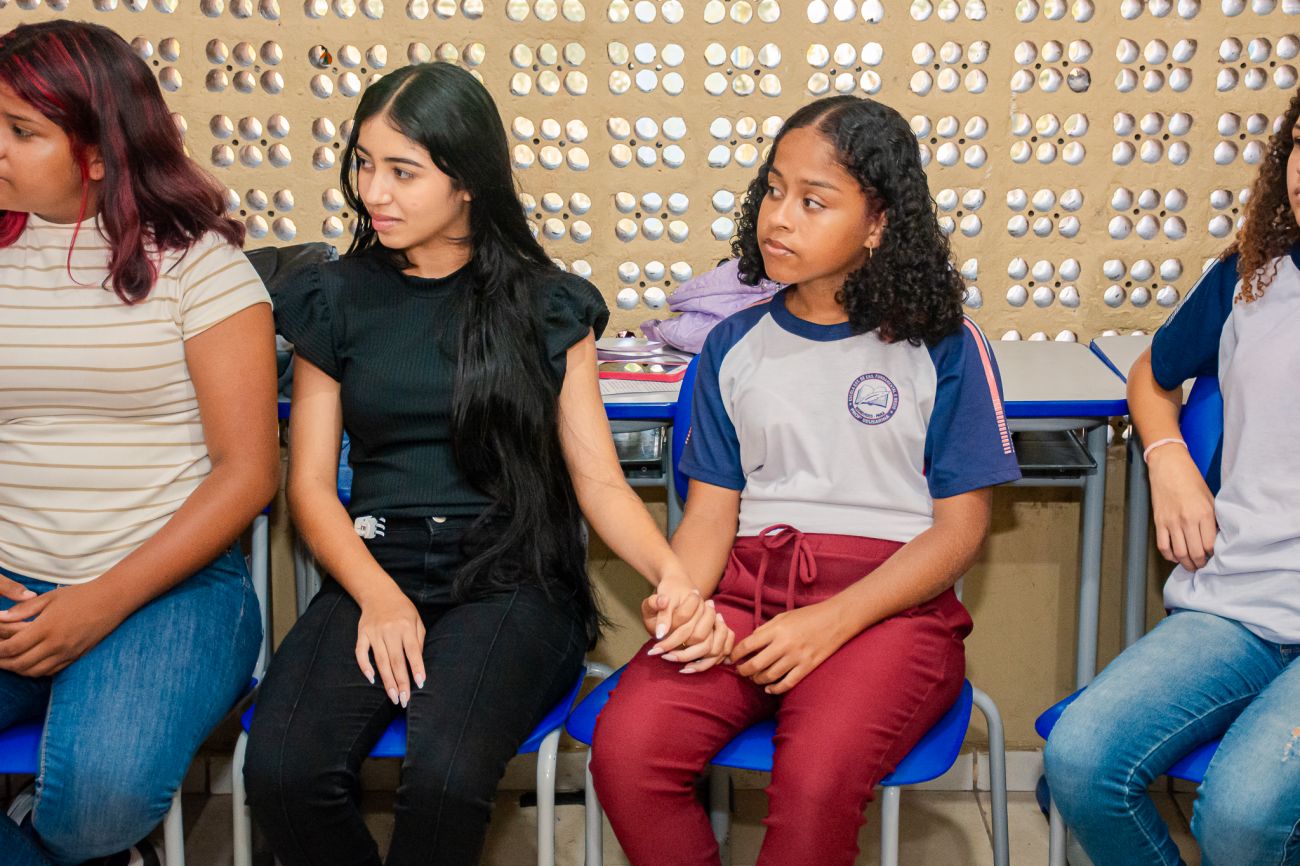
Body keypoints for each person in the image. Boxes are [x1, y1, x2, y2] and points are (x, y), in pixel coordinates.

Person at [242, 62, 702, 866]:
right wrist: (379, 595)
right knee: (283, 772)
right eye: (364, 164)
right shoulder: (331, 298)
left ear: (467, 181)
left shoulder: (546, 304)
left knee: (446, 776)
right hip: (377, 564)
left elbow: (598, 481)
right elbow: (310, 486)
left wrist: (674, 576)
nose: (373, 191)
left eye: (402, 171)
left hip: (511, 575)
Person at [588, 94, 1022, 866]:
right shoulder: (733, 344)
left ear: (878, 221)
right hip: (746, 598)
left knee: (816, 784)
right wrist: (684, 598)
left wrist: (830, 622)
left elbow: (960, 532)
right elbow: (711, 516)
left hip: (889, 610)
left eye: (813, 201)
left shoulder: (944, 344)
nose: (779, 218)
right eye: (774, 191)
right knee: (627, 752)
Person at [0, 20, 275, 866]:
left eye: (21, 131)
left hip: (169, 589)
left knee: (100, 803)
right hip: (10, 577)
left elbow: (248, 473)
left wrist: (100, 602)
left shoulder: (201, 267)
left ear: (98, 151)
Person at [1044, 87, 1300, 866]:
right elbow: (1152, 375)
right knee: (1080, 761)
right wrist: (1169, 460)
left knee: (1241, 818)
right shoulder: (1250, 279)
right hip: (1237, 603)